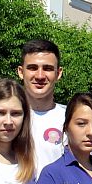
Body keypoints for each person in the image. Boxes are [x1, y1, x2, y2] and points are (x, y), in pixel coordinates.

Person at [18, 39, 67, 171]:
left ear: (58, 73)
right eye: (33, 68)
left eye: (47, 69)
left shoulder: (70, 119)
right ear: (21, 72)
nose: (40, 76)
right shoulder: (6, 117)